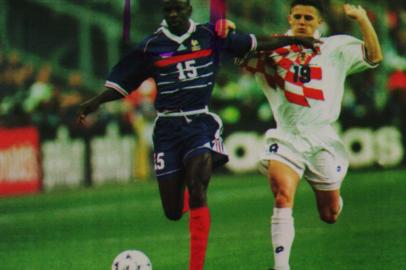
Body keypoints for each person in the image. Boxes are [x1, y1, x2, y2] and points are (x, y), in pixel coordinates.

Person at [77, 1, 319, 269]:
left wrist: (295, 40)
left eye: (178, 9)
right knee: (172, 211)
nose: (173, 14)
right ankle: (182, 193)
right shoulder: (150, 46)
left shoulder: (210, 35)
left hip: (200, 123)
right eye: (168, 10)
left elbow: (254, 43)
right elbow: (125, 81)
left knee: (197, 187)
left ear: (189, 9)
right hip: (167, 128)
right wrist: (95, 101)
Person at [237, 1, 383, 269]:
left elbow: (374, 56)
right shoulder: (274, 47)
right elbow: (239, 51)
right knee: (282, 194)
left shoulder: (335, 47)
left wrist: (361, 19)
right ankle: (281, 266)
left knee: (330, 214)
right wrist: (229, 32)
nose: (302, 21)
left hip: (322, 137)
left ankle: (334, 197)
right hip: (286, 136)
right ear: (289, 18)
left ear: (319, 22)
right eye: (297, 17)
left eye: (308, 17)